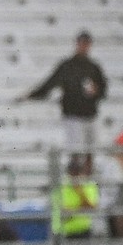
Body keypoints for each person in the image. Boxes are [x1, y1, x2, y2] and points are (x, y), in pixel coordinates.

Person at [21, 30, 107, 163]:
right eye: (82, 43)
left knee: (91, 151)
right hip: (73, 115)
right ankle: (75, 179)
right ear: (77, 44)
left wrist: (96, 91)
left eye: (86, 44)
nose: (84, 46)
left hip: (90, 115)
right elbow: (50, 83)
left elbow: (103, 90)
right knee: (75, 151)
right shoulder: (67, 66)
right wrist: (32, 95)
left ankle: (88, 179)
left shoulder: (93, 67)